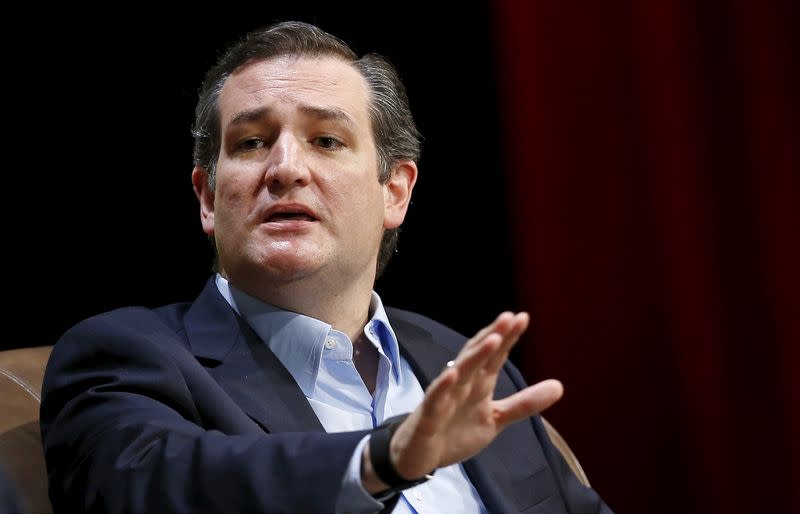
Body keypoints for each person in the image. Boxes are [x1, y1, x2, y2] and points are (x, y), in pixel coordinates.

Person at [40, 21, 612, 514]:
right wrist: (380, 459)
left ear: (395, 192)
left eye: (327, 140)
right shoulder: (124, 356)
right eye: (252, 142)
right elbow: (158, 485)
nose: (286, 167)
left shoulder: (462, 363)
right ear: (208, 200)